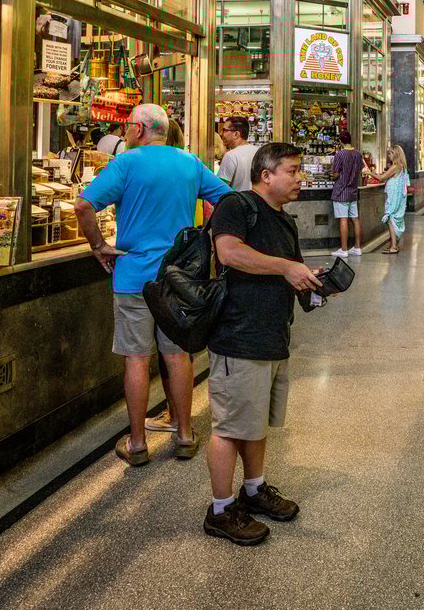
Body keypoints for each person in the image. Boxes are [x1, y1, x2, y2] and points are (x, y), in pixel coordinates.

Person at [75, 104, 231, 466]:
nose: (126, 132)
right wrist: (205, 240)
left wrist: (99, 246)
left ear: (141, 129)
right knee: (178, 354)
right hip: (178, 279)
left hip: (133, 277)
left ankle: (138, 443)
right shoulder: (188, 162)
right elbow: (226, 198)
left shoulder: (126, 164)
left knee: (136, 358)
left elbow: (83, 206)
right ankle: (185, 435)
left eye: (129, 126)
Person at [205, 142, 319, 545]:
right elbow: (230, 253)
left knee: (254, 425)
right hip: (239, 335)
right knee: (230, 426)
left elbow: (291, 271)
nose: (299, 178)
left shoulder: (284, 221)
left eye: (299, 170)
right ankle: (220, 510)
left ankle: (253, 489)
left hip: (274, 337)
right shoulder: (237, 206)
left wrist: (313, 283)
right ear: (266, 174)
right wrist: (287, 267)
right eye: (292, 170)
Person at [330, 130, 364, 258]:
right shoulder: (358, 154)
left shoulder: (340, 154)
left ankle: (343, 249)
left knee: (343, 219)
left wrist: (332, 174)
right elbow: (360, 169)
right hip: (353, 191)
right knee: (355, 219)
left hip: (341, 192)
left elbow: (336, 173)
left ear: (340, 141)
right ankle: (357, 247)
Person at [378, 145, 410, 254]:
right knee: (393, 220)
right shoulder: (402, 166)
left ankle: (394, 246)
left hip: (394, 198)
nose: (388, 156)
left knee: (390, 219)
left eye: (390, 153)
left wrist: (368, 172)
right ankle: (392, 243)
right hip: (398, 197)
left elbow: (381, 178)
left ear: (395, 154)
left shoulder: (396, 166)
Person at [217, 116, 260, 192]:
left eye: (224, 130)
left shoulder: (231, 156)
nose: (221, 134)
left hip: (237, 202)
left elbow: (220, 189)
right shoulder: (259, 152)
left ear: (236, 134)